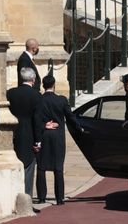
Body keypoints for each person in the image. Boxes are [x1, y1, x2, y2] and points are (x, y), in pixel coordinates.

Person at [35, 75, 84, 205]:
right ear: (54, 85)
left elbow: (36, 119)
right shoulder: (61, 100)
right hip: (58, 136)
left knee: (41, 166)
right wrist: (79, 128)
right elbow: (70, 116)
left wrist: (44, 125)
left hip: (43, 134)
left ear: (43, 86)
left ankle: (41, 197)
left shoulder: (39, 100)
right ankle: (59, 197)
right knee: (58, 167)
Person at [6, 67, 42, 205]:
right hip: (29, 135)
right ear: (33, 80)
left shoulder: (11, 93)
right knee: (28, 169)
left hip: (14, 133)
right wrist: (38, 141)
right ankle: (26, 202)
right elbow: (37, 120)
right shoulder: (36, 95)